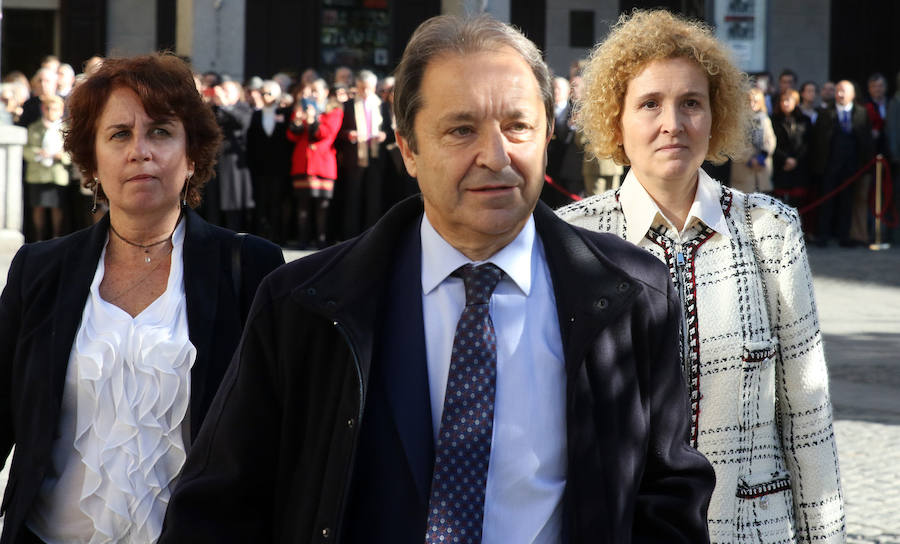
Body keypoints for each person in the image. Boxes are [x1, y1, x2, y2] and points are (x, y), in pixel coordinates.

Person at [160, 14, 715, 543]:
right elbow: (221, 507)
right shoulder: (303, 305)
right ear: (408, 148)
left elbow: (667, 496)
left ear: (549, 136)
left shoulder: (632, 295)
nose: (494, 156)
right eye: (461, 130)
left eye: (518, 126)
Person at [558, 9, 844, 543]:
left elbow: (807, 413)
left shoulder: (770, 230)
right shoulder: (571, 237)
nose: (673, 123)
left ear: (717, 116)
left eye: (691, 102)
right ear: (615, 120)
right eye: (649, 104)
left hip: (753, 530)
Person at [0, 53, 285, 544]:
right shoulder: (40, 270)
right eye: (119, 135)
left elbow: (281, 439)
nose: (140, 151)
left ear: (191, 154)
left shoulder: (250, 268)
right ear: (92, 160)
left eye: (160, 132)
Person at [810, 80, 874, 246]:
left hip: (852, 167)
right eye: (838, 91)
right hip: (829, 165)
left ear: (853, 94)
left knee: (847, 202)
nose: (840, 94)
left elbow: (867, 141)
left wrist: (865, 165)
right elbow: (817, 140)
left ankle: (844, 236)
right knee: (826, 202)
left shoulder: (861, 113)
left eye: (844, 91)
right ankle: (823, 235)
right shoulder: (825, 113)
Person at [286, 78, 343, 247]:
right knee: (302, 205)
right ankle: (303, 240)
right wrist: (296, 122)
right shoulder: (302, 107)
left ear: (326, 92)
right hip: (302, 162)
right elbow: (292, 136)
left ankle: (321, 239)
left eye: (317, 90)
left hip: (322, 163)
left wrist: (312, 120)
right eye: (311, 91)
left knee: (322, 205)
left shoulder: (334, 110)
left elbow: (325, 133)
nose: (313, 94)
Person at [246, 79, 293, 244]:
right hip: (260, 166)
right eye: (263, 93)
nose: (266, 96)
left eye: (269, 93)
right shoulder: (256, 114)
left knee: (277, 201)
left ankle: (277, 235)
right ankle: (260, 235)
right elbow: (251, 141)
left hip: (280, 166)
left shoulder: (285, 113)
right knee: (261, 200)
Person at [23, 94, 70, 241]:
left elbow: (72, 153)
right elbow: (26, 150)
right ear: (43, 109)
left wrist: (61, 156)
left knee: (57, 207)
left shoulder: (66, 129)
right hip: (38, 174)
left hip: (57, 174)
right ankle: (39, 237)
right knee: (38, 207)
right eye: (48, 108)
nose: (51, 112)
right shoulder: (34, 128)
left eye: (55, 109)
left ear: (61, 111)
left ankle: (57, 236)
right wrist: (39, 153)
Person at [771, 89, 813, 214]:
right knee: (779, 204)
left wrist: (795, 160)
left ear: (796, 102)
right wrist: (785, 159)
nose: (785, 103)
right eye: (783, 101)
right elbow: (772, 143)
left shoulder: (805, 120)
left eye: (788, 100)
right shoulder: (773, 119)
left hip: (799, 167)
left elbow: (808, 143)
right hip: (780, 165)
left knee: (798, 203)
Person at [730, 87, 776, 194]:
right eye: (749, 100)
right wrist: (749, 159)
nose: (752, 104)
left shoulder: (764, 118)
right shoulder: (737, 119)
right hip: (743, 169)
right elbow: (735, 144)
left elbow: (770, 140)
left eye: (756, 101)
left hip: (761, 168)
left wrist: (762, 157)